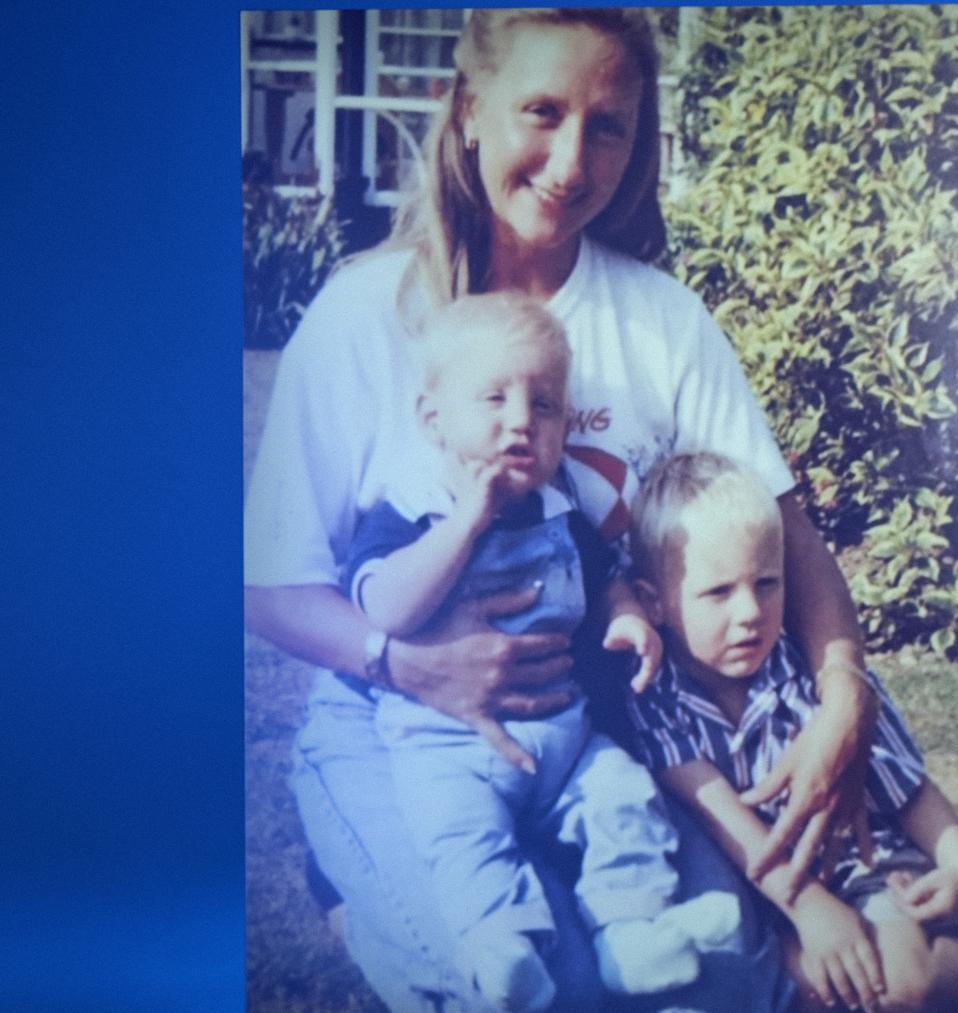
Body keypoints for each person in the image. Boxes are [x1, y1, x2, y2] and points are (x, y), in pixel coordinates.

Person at [243, 10, 876, 1010]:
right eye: (541, 111)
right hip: (400, 727)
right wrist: (404, 662)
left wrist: (844, 691)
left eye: (607, 125)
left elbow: (787, 530)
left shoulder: (662, 321)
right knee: (533, 985)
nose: (572, 161)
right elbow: (269, 585)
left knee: (718, 977)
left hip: (589, 734)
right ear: (467, 111)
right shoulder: (363, 315)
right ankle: (368, 889)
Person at [345, 293, 744, 1010]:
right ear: (433, 418)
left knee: (624, 795)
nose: (522, 419)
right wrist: (468, 520)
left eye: (546, 404)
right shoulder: (411, 508)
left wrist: (627, 619)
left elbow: (606, 580)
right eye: (494, 398)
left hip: (566, 743)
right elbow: (386, 608)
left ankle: (632, 931)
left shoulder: (561, 510)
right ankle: (501, 951)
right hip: (450, 744)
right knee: (462, 838)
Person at [624, 453, 958, 1013]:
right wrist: (811, 909)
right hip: (760, 888)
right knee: (803, 990)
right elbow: (729, 825)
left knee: (898, 983)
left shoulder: (816, 680)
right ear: (654, 603)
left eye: (766, 584)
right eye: (719, 592)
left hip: (862, 865)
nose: (749, 612)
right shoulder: (656, 698)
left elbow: (904, 786)